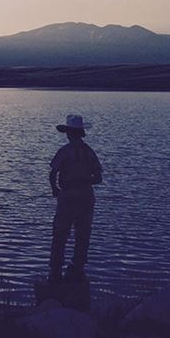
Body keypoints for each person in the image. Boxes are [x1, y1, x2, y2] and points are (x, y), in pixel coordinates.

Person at [48, 114, 102, 283]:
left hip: (67, 197)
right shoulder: (89, 152)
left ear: (69, 133)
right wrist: (85, 180)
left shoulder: (64, 151)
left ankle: (56, 269)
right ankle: (78, 267)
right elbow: (98, 177)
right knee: (83, 234)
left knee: (60, 233)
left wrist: (55, 189)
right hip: (86, 197)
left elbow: (53, 173)